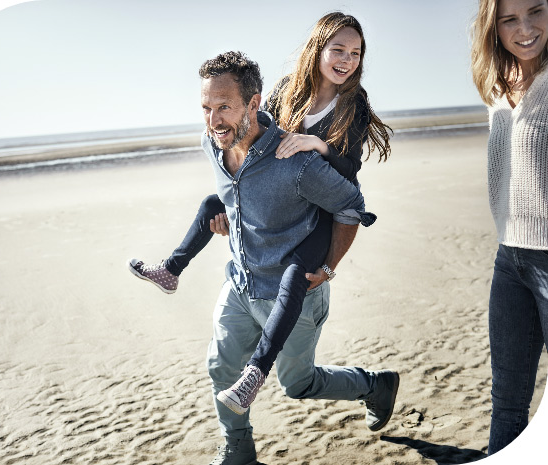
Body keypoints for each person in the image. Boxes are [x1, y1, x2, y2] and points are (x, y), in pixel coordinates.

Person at [128, 13, 393, 416]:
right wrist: (235, 216)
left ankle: (259, 372)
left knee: (294, 284)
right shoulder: (289, 89)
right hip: (281, 202)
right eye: (338, 49)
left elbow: (348, 177)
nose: (346, 59)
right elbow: (259, 137)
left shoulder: (351, 106)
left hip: (320, 214)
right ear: (316, 50)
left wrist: (316, 146)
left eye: (355, 52)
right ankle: (172, 269)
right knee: (210, 206)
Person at [186, 50, 399, 465]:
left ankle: (375, 385)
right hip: (241, 283)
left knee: (297, 384)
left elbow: (351, 206)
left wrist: (328, 267)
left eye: (224, 107)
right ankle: (238, 450)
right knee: (221, 368)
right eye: (207, 108)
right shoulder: (213, 144)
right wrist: (231, 219)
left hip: (295, 292)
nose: (214, 121)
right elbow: (237, 197)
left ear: (254, 103)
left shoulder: (296, 162)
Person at [471, 0, 548, 455]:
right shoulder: (497, 88)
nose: (525, 28)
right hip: (510, 259)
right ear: (493, 27)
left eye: (536, 11)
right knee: (507, 405)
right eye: (509, 19)